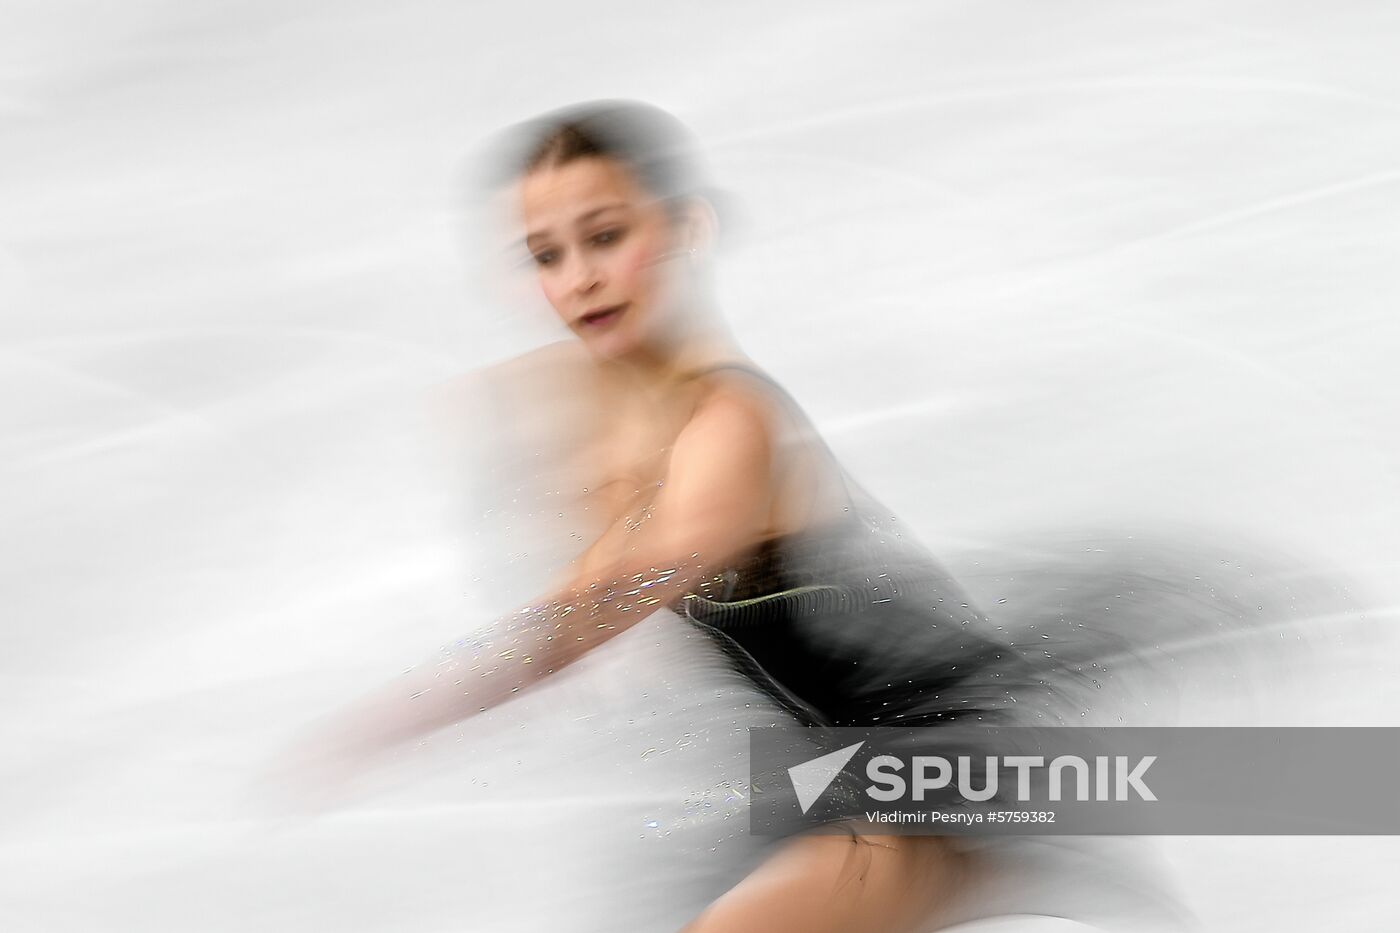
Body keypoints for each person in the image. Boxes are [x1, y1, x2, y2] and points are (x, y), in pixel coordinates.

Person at [257, 100, 1344, 931]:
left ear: (679, 229)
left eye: (604, 235)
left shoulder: (727, 421)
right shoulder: (619, 431)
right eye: (546, 254)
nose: (579, 276)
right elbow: (586, 600)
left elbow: (612, 597)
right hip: (836, 773)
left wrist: (418, 706)